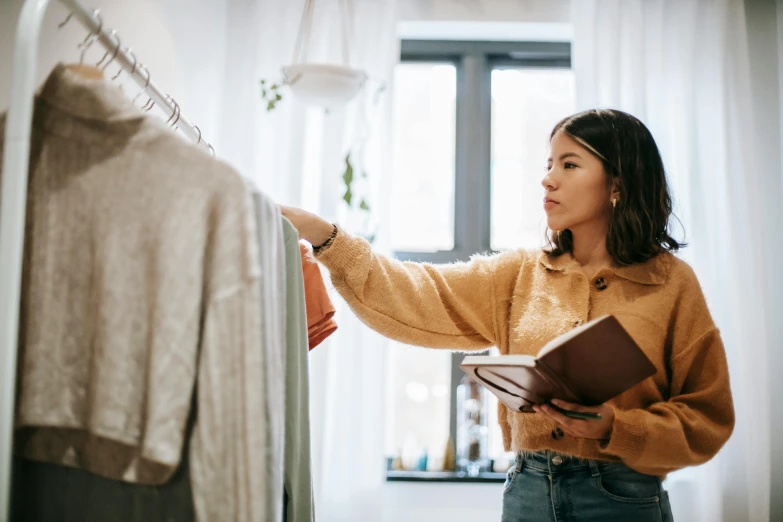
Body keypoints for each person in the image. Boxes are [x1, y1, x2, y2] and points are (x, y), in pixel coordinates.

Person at [281, 109, 735, 522]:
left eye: (569, 164)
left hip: (625, 501)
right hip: (529, 492)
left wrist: (617, 428)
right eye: (549, 164)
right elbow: (410, 292)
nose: (548, 179)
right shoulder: (518, 274)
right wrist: (326, 238)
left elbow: (706, 417)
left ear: (618, 183)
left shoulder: (672, 283)